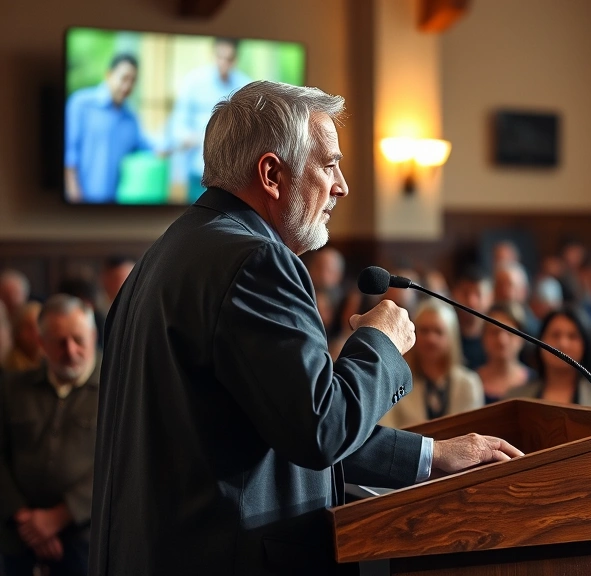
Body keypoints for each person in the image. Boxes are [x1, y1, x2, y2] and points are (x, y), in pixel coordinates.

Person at [89, 81, 521, 576]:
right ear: (272, 173)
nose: (342, 185)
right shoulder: (257, 260)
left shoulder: (165, 254)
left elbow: (276, 424)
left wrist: (430, 455)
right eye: (330, 163)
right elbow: (320, 428)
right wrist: (379, 342)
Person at [0, 295, 100, 576]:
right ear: (41, 343)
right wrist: (26, 519)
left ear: (93, 336)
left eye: (78, 339)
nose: (70, 350)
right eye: (59, 342)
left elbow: (125, 460)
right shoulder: (12, 388)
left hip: (85, 539)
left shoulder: (120, 388)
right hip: (18, 539)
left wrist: (59, 516)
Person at [170, 38, 252, 203]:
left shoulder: (246, 86)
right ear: (213, 54)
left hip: (232, 179)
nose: (223, 63)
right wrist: (202, 139)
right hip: (197, 173)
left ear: (236, 59)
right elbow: (177, 129)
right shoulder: (193, 82)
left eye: (229, 59)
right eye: (220, 57)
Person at [380, 301, 484, 428]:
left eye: (438, 331)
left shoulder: (469, 383)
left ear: (451, 336)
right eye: (424, 331)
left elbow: (474, 430)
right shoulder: (395, 382)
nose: (430, 339)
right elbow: (385, 431)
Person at [507, 308, 591, 411]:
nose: (563, 344)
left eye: (572, 336)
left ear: (585, 345)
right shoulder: (516, 397)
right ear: (540, 342)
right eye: (555, 335)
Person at [64, 54, 149, 204]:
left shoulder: (130, 118)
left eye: (133, 81)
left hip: (115, 209)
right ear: (109, 75)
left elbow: (145, 147)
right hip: (81, 202)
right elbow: (70, 152)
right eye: (124, 78)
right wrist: (73, 193)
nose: (127, 86)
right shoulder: (81, 104)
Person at [476, 303, 533, 403]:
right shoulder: (470, 382)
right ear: (483, 337)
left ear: (522, 338)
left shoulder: (536, 382)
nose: (502, 340)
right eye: (494, 332)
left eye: (510, 332)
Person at [451, 265, 493, 370]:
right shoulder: (446, 334)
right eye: (465, 293)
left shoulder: (496, 335)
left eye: (478, 294)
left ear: (490, 297)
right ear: (455, 294)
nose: (471, 301)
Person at [4, 302, 42, 373]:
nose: (36, 332)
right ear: (17, 332)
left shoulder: (52, 362)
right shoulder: (10, 369)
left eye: (39, 325)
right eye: (29, 328)